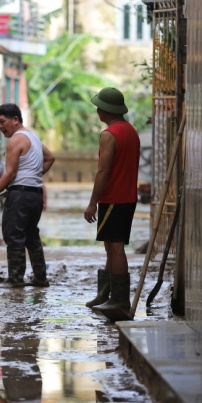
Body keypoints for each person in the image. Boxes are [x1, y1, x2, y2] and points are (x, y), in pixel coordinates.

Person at [0, 103, 55, 288]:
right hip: (34, 195)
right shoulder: (33, 137)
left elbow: (10, 173)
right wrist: (33, 176)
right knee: (31, 235)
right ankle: (40, 277)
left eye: (3, 122)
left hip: (20, 195)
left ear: (15, 119)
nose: (0, 127)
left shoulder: (15, 140)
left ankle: (15, 279)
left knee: (14, 235)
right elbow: (50, 157)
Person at [83, 88, 140, 320]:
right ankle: (105, 294)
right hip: (126, 197)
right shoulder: (130, 131)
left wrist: (92, 202)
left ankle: (119, 298)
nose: (97, 110)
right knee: (111, 245)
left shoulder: (110, 134)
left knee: (115, 247)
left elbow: (104, 170)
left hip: (114, 197)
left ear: (106, 110)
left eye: (99, 107)